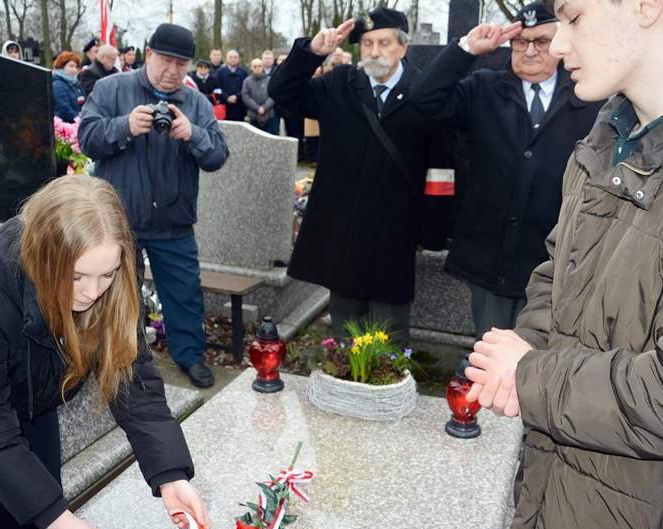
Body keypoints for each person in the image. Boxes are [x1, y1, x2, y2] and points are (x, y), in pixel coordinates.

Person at [463, 1, 663, 529]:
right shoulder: (605, 139)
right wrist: (526, 345)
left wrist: (530, 374)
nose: (557, 46)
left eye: (573, 18)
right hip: (567, 523)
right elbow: (559, 272)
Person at [0, 175, 211, 529]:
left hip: (31, 387)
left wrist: (170, 474)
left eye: (106, 275)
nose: (93, 292)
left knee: (41, 497)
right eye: (76, 277)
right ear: (42, 258)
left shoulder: (113, 261)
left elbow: (130, 372)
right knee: (12, 507)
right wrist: (60, 521)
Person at [411, 2, 602, 345]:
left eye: (541, 41)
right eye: (520, 42)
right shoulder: (484, 88)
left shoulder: (588, 94)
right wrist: (467, 48)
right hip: (490, 258)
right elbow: (424, 98)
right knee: (491, 354)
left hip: (554, 263)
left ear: (561, 42)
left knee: (540, 360)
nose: (529, 51)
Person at [269, 8, 454, 345]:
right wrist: (311, 52)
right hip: (344, 230)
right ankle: (344, 372)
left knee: (388, 333)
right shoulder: (339, 84)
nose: (374, 51)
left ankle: (388, 377)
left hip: (396, 233)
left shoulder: (425, 90)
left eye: (384, 42)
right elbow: (282, 92)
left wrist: (432, 232)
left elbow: (441, 168)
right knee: (345, 329)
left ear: (403, 46)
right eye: (367, 43)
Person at [79, 23, 228, 389]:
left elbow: (217, 155)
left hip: (173, 221)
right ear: (148, 55)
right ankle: (114, 360)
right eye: (165, 60)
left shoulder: (196, 102)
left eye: (181, 63)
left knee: (184, 294)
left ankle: (189, 356)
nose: (173, 70)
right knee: (114, 296)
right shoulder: (112, 89)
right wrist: (124, 126)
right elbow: (87, 139)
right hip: (119, 222)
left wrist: (193, 134)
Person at [242, 58, 277, 133]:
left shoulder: (270, 80)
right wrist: (257, 108)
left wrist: (265, 107)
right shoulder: (246, 81)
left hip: (269, 115)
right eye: (255, 66)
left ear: (263, 67)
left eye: (259, 66)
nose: (257, 68)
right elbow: (245, 97)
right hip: (253, 116)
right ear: (251, 68)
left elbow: (273, 95)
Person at [215, 49, 248, 121]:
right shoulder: (219, 72)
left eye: (235, 57)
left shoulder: (244, 72)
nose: (233, 59)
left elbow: (246, 89)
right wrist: (226, 97)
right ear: (226, 59)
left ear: (238, 59)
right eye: (230, 57)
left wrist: (237, 96)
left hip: (240, 107)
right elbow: (217, 88)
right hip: (224, 106)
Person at [52, 51, 84, 122]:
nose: (74, 69)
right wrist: (79, 120)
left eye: (76, 67)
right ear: (61, 66)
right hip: (67, 125)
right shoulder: (57, 85)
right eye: (71, 66)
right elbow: (64, 108)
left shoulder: (75, 83)